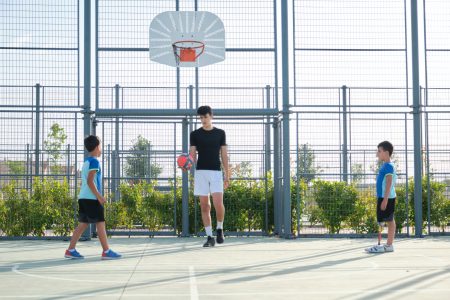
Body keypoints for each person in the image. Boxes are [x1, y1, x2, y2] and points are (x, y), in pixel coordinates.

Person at [64, 135, 122, 260]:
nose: (101, 149)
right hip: (91, 198)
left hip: (83, 197)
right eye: (100, 146)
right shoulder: (95, 161)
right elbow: (91, 181)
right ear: (96, 147)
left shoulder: (86, 162)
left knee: (82, 225)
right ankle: (106, 251)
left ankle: (70, 250)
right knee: (100, 224)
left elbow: (88, 181)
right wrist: (99, 196)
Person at [190, 106, 229, 247]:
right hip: (200, 173)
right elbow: (192, 155)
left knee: (218, 204)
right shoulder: (194, 134)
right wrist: (187, 164)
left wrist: (227, 175)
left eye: (205, 117)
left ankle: (220, 229)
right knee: (205, 206)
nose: (203, 120)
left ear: (211, 116)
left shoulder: (220, 133)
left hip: (216, 173)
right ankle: (209, 237)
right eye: (200, 118)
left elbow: (224, 155)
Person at [367, 141, 397, 253]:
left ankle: (387, 245)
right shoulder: (386, 165)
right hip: (384, 197)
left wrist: (384, 200)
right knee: (387, 220)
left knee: (388, 220)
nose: (377, 154)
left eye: (379, 151)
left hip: (387, 198)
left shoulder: (388, 166)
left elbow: (389, 183)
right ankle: (387, 245)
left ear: (386, 152)